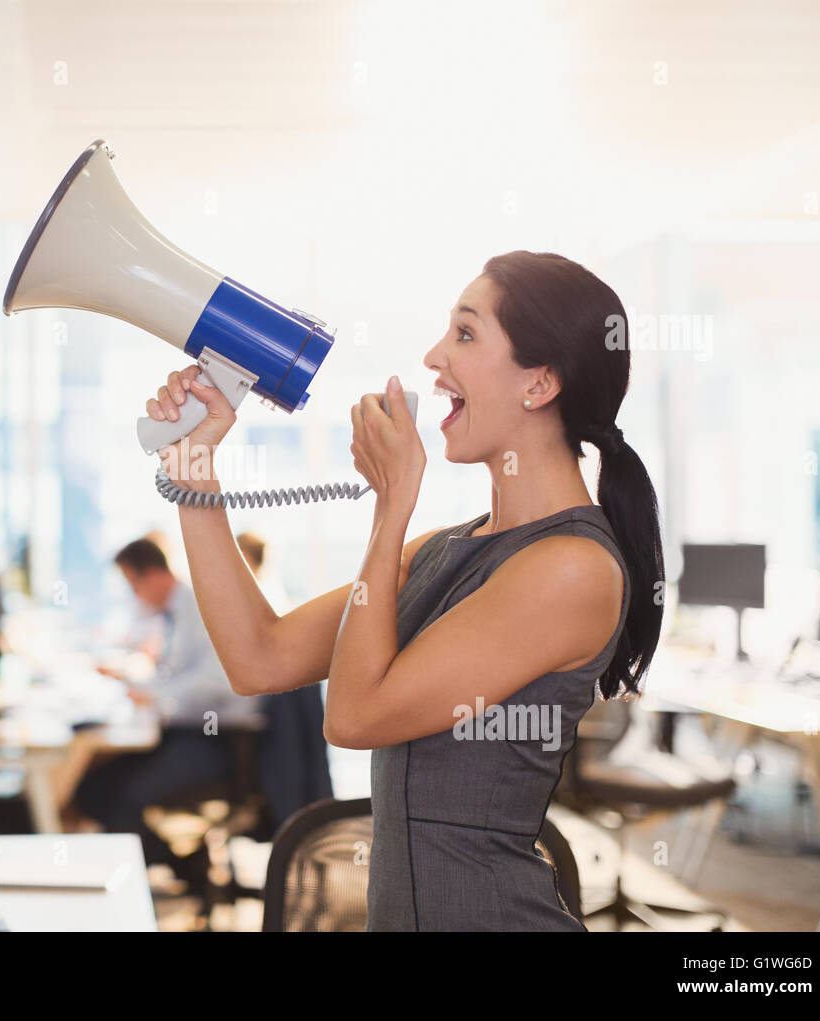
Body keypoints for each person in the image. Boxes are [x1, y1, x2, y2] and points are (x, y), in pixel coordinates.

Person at [142, 251, 665, 931]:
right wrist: (193, 467)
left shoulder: (570, 567)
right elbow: (260, 657)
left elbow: (354, 718)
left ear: (539, 383)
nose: (433, 356)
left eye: (466, 334)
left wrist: (392, 508)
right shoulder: (447, 548)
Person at [72, 537, 256, 865]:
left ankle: (184, 868)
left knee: (117, 795)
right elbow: (178, 678)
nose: (134, 596)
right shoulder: (177, 612)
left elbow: (220, 682)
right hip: (189, 734)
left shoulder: (203, 606)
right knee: (91, 787)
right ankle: (186, 866)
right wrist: (134, 683)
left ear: (154, 576)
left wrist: (153, 694)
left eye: (133, 585)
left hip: (216, 741)